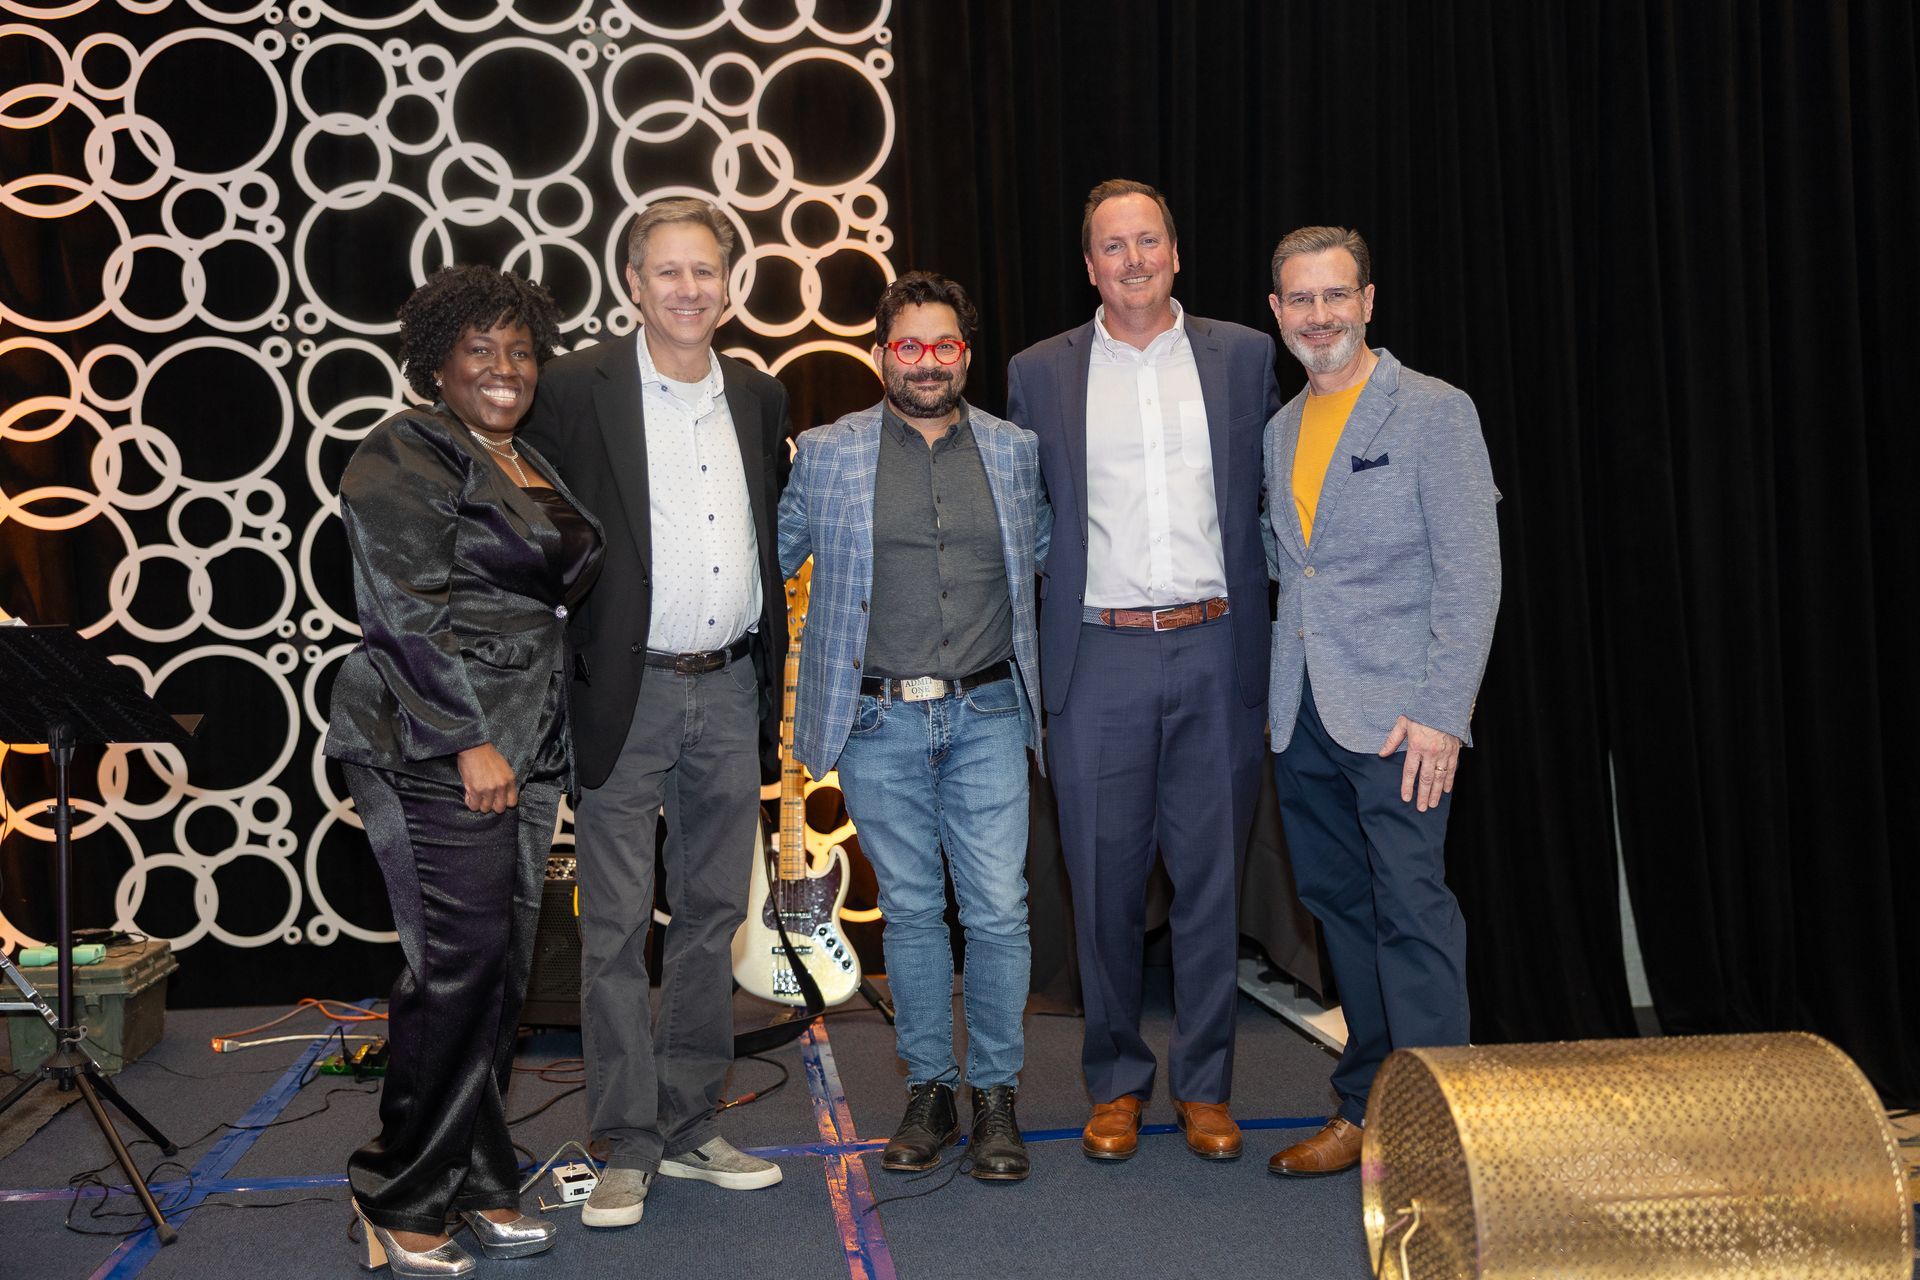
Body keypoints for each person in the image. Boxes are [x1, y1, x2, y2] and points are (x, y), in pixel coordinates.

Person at [517, 197, 791, 1228]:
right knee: (616, 925)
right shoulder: (577, 388)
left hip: (729, 687)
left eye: (704, 271)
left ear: (729, 284)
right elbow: (522, 503)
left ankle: (689, 1124)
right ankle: (624, 1138)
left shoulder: (760, 396)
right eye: (667, 271)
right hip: (621, 693)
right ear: (634, 282)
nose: (688, 289)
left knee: (712, 919)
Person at [327, 264, 604, 1276]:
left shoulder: (522, 455)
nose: (504, 366)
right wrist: (464, 736)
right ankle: (398, 1188)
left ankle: (480, 1174)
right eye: (481, 348)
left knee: (500, 974)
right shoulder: (404, 450)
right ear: (436, 361)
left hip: (526, 750)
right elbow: (401, 610)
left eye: (521, 349)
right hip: (440, 746)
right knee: (453, 972)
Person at [1006, 179, 1279, 1163]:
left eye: (1148, 240)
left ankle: (1206, 1085)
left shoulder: (1245, 356)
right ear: (1089, 266)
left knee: (1210, 884)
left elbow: (1272, 503)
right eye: (1112, 246)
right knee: (1104, 888)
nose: (1132, 259)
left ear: (1175, 250)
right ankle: (1116, 1080)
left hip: (1216, 646)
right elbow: (1026, 524)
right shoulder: (1038, 374)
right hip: (1099, 653)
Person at [777, 272, 1050, 1181]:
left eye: (943, 347)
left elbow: (1057, 556)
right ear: (881, 353)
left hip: (988, 713)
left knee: (1001, 912)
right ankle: (930, 1089)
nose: (926, 363)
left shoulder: (1017, 452)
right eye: (908, 346)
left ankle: (998, 1098)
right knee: (914, 911)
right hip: (877, 720)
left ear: (964, 355)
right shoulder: (825, 452)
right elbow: (764, 560)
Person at [1260, 225, 1501, 1177]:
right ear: (1278, 314)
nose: (1319, 316)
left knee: (1413, 913)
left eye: (1335, 296)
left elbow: (1472, 573)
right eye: (1300, 301)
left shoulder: (1434, 411)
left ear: (1367, 302)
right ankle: (1366, 1106)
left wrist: (1444, 710)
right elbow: (1295, 572)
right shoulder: (1280, 429)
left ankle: (1443, 1135)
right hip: (1305, 715)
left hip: (1404, 718)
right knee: (1340, 913)